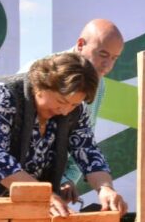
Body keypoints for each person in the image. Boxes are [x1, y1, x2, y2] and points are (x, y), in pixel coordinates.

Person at [0, 53, 128, 222]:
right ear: (41, 85)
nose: (65, 111)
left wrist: (105, 188)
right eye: (61, 101)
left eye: (73, 104)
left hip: (12, 219)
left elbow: (88, 150)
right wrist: (42, 196)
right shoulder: (0, 94)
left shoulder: (76, 110)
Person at [40, 19, 125, 204]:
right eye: (103, 54)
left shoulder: (98, 83)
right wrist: (53, 183)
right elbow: (29, 144)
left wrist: (68, 178)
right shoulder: (45, 73)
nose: (108, 65)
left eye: (114, 58)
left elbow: (83, 139)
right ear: (80, 44)